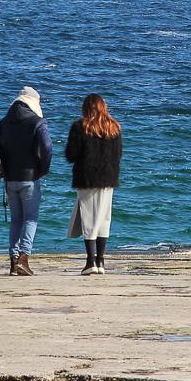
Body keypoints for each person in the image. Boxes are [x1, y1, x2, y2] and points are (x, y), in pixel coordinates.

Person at [0, 86, 52, 276]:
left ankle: (13, 262)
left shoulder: (3, 123)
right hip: (30, 177)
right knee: (31, 218)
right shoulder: (37, 122)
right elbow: (47, 147)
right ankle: (24, 258)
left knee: (16, 220)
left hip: (10, 179)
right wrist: (43, 170)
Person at [64, 93, 123, 275]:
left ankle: (90, 261)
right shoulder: (114, 127)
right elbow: (118, 155)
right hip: (108, 179)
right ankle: (101, 261)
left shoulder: (80, 127)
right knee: (104, 218)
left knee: (89, 218)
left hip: (87, 178)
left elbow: (71, 155)